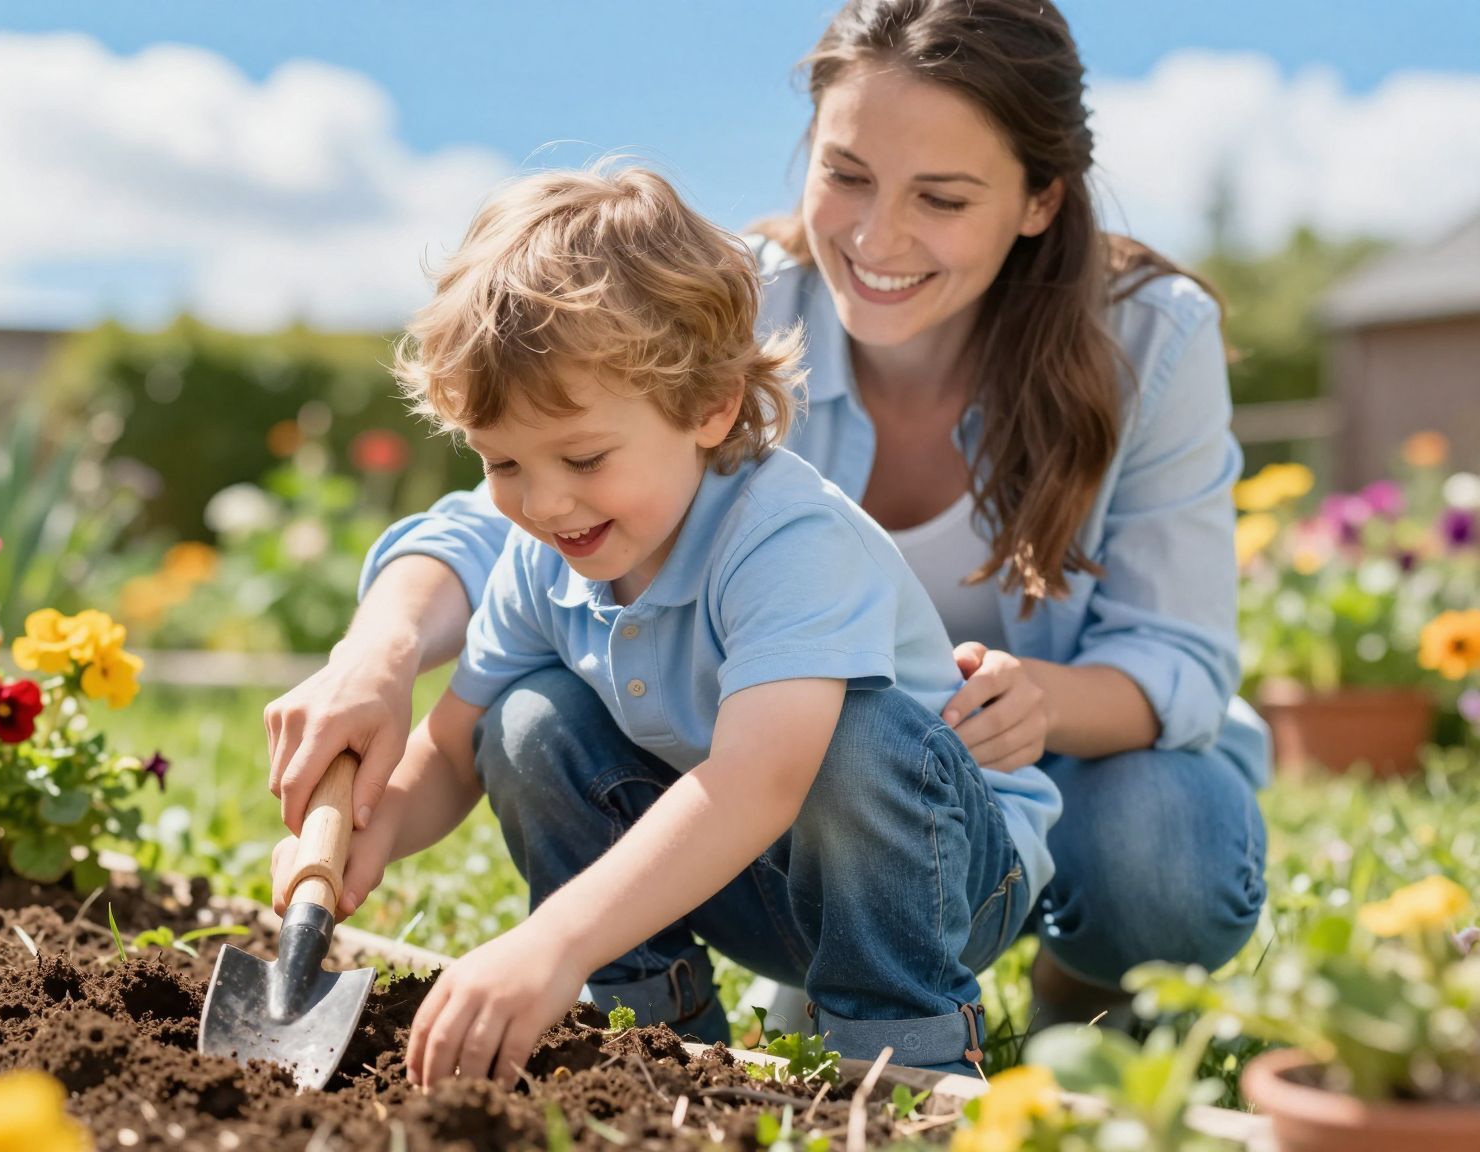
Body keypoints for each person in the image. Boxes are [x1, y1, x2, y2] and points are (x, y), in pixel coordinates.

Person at [268, 0, 1269, 1034]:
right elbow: (503, 526)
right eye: (844, 175)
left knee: (1149, 845)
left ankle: (1044, 996)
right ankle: (663, 1037)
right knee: (532, 719)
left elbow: (1177, 657)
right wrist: (371, 700)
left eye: (941, 196)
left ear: (1037, 200)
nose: (876, 237)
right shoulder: (715, 308)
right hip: (794, 805)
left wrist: (1038, 705)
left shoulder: (1142, 342)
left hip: (985, 788)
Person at [268, 164, 1061, 1087]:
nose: (544, 500)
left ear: (709, 406)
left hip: (941, 874)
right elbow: (450, 751)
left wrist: (549, 942)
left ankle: (903, 1056)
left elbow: (757, 783)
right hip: (750, 867)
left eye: (584, 456)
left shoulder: (785, 537)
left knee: (851, 739)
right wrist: (367, 831)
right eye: (503, 463)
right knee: (528, 722)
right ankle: (652, 1048)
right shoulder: (542, 558)